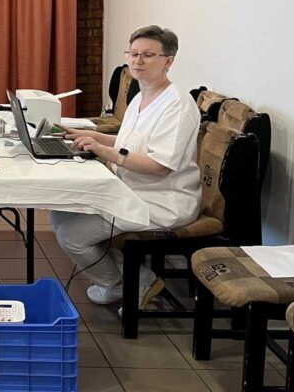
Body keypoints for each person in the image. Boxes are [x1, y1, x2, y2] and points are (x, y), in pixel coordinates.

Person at [51, 25, 201, 312]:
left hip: (161, 200)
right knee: (60, 214)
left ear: (168, 61)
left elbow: (159, 166)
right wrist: (92, 136)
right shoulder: (143, 94)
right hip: (130, 190)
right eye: (133, 54)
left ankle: (125, 284)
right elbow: (127, 143)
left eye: (148, 55)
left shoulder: (177, 106)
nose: (137, 61)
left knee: (72, 236)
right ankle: (136, 278)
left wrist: (104, 151)